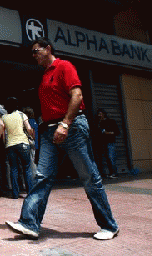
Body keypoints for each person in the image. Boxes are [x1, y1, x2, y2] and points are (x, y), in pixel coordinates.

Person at [6, 38, 119, 241]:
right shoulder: (44, 75)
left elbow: (77, 96)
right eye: (32, 53)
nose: (33, 56)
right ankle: (29, 223)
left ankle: (109, 225)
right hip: (49, 131)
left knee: (89, 177)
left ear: (48, 48)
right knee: (42, 177)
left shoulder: (64, 66)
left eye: (35, 51)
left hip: (72, 128)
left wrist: (65, 124)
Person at [2, 97, 34, 199]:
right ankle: (30, 193)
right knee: (27, 168)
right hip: (23, 143)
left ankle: (15, 194)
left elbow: (3, 134)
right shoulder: (21, 114)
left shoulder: (4, 117)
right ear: (16, 105)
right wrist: (32, 136)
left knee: (14, 169)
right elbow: (28, 128)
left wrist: (5, 144)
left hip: (10, 145)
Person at [96, 109, 120, 179]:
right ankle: (107, 173)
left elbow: (117, 132)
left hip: (110, 142)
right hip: (102, 143)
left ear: (104, 114)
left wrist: (108, 133)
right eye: (98, 114)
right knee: (104, 158)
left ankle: (114, 173)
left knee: (111, 157)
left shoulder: (111, 121)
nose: (99, 115)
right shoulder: (99, 123)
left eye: (100, 114)